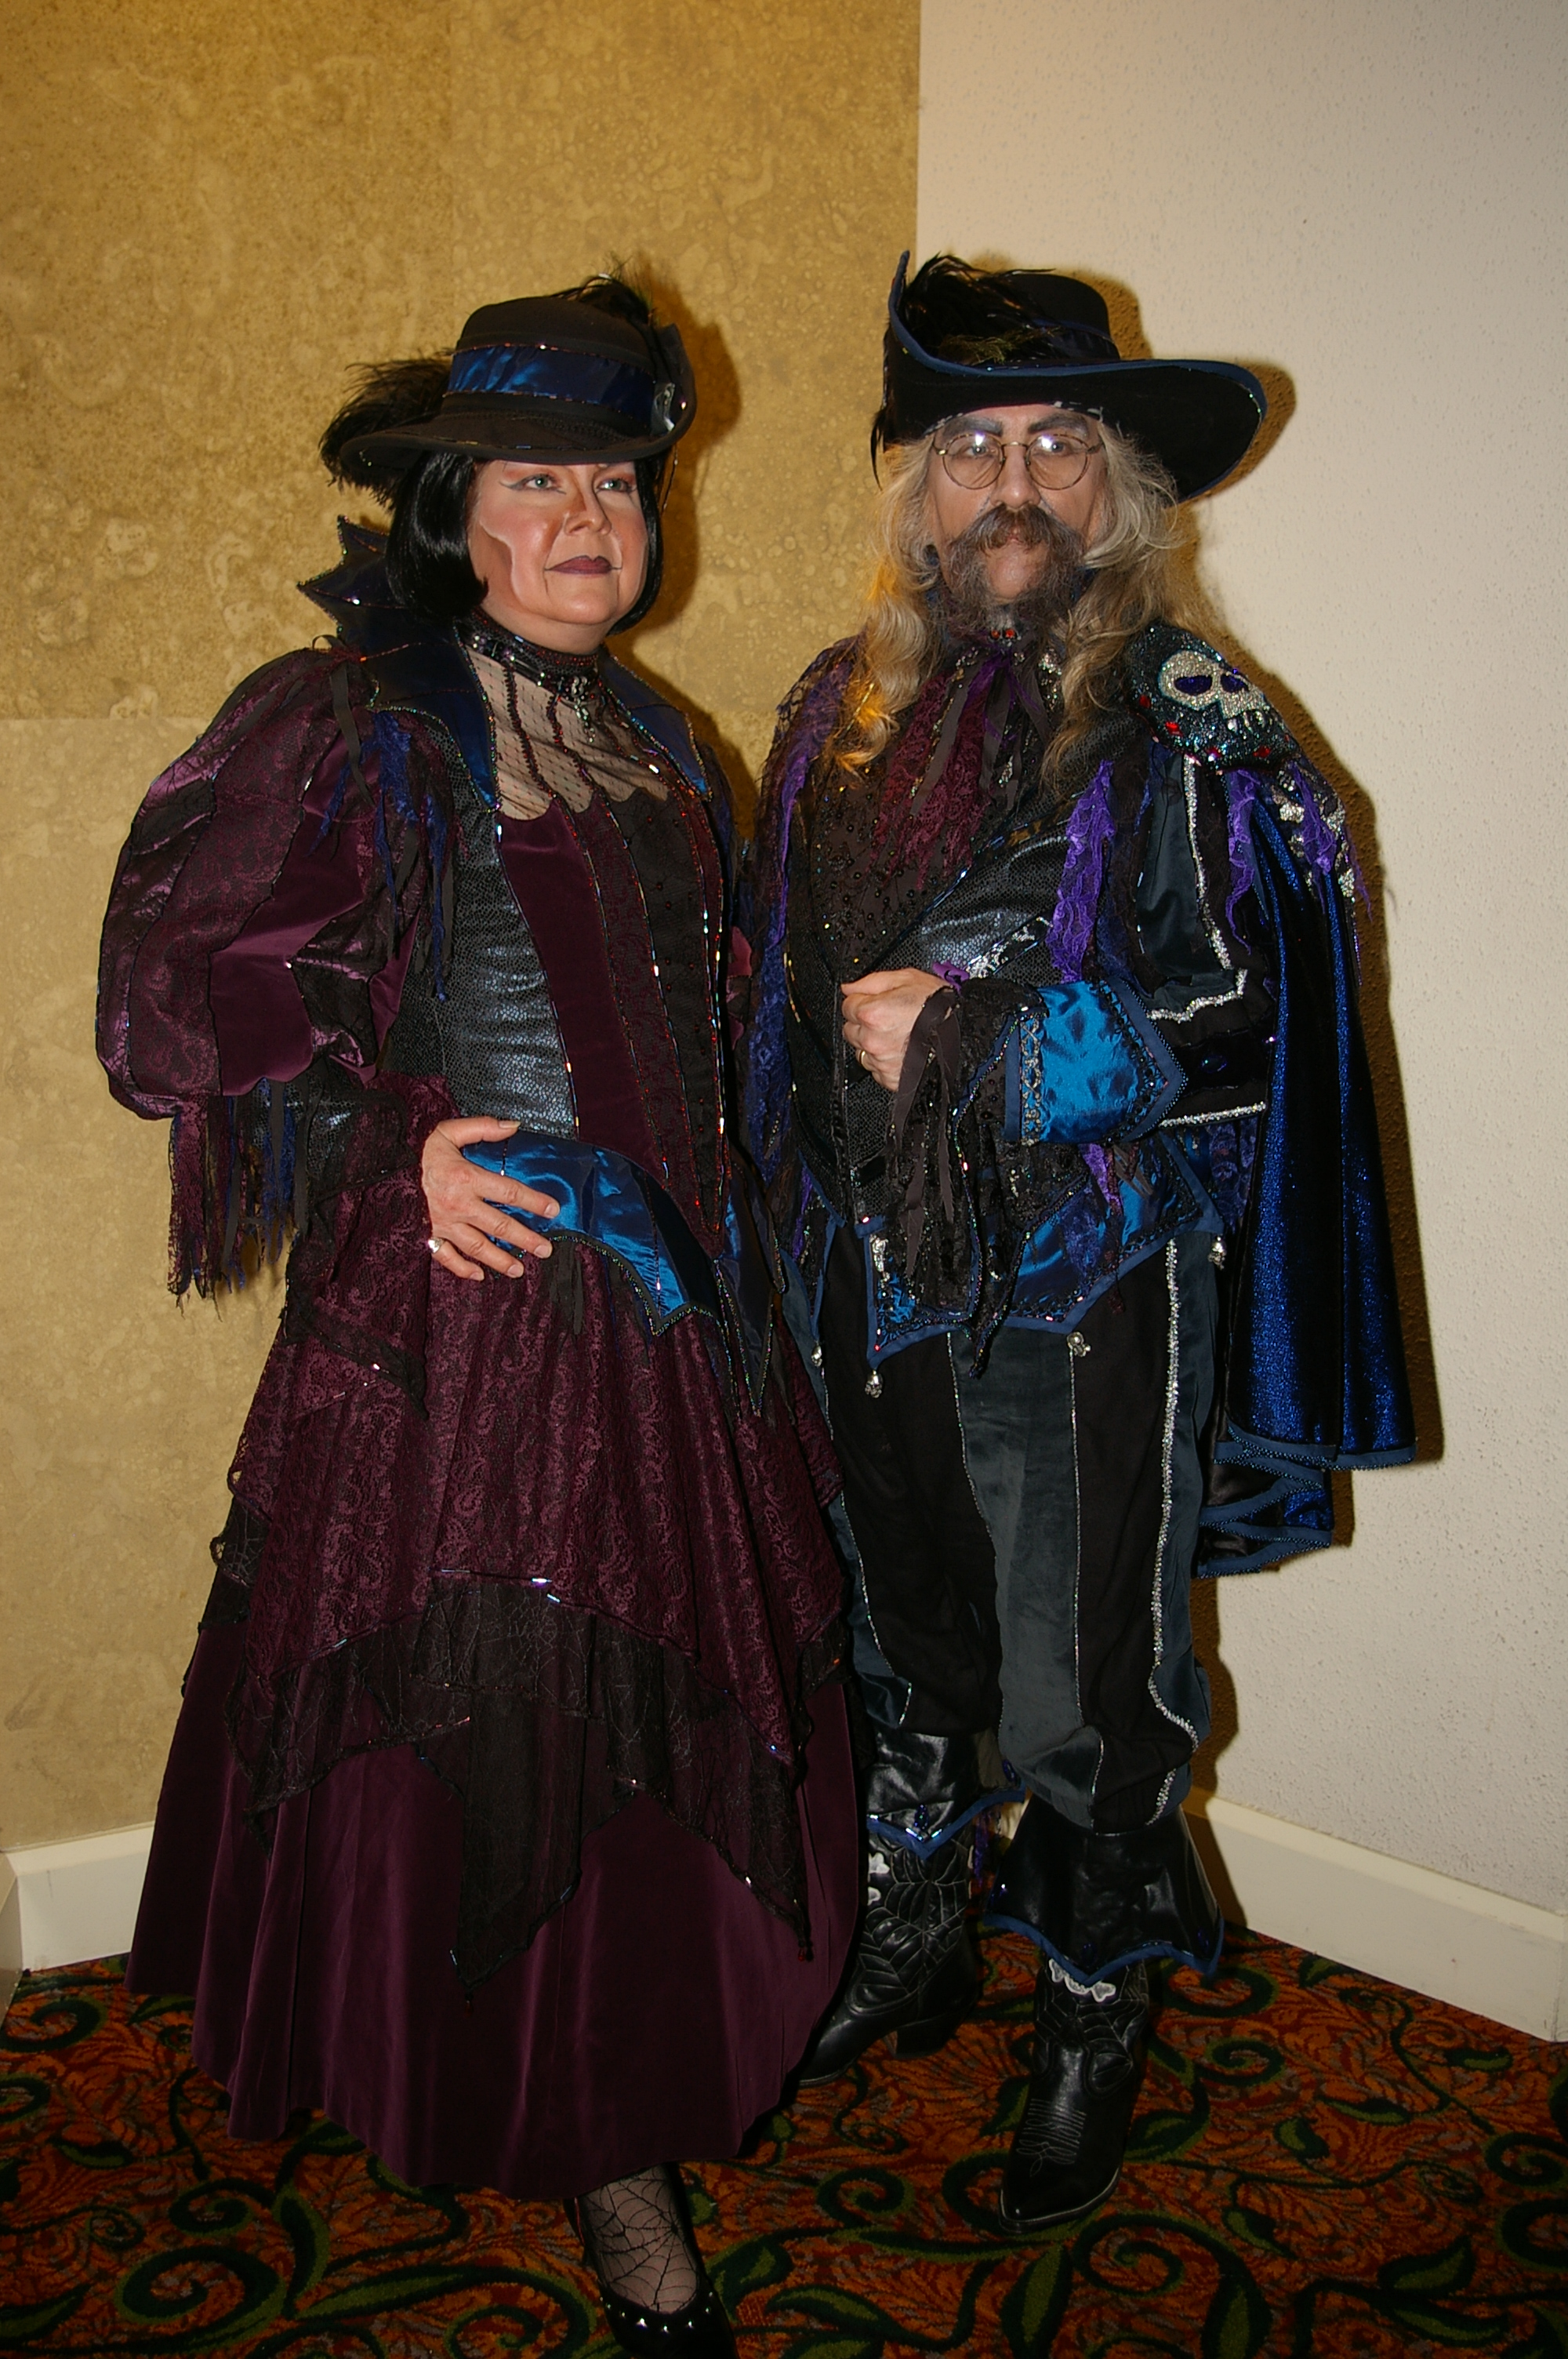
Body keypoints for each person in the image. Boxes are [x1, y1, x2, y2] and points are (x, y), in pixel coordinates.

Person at [98, 275, 858, 2358]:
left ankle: (611, 2069)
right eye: (538, 482)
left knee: (637, 1718)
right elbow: (190, 995)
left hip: (678, 1320)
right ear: (457, 513)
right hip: (485, 1318)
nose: (590, 519)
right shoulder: (360, 717)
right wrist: (393, 1142)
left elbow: (714, 1029)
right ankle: (599, 2152)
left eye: (617, 482)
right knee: (527, 1720)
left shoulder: (658, 739)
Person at [740, 253, 1414, 2234]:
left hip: (1088, 1276)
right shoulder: (836, 708)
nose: (1012, 483)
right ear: (912, 488)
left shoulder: (1185, 720)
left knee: (1082, 1675)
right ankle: (920, 1925)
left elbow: (1257, 1002)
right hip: (864, 1270)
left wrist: (996, 1042)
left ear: (1119, 488)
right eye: (971, 447)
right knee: (898, 1628)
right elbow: (772, 985)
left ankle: (1095, 2003)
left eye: (1056, 444)